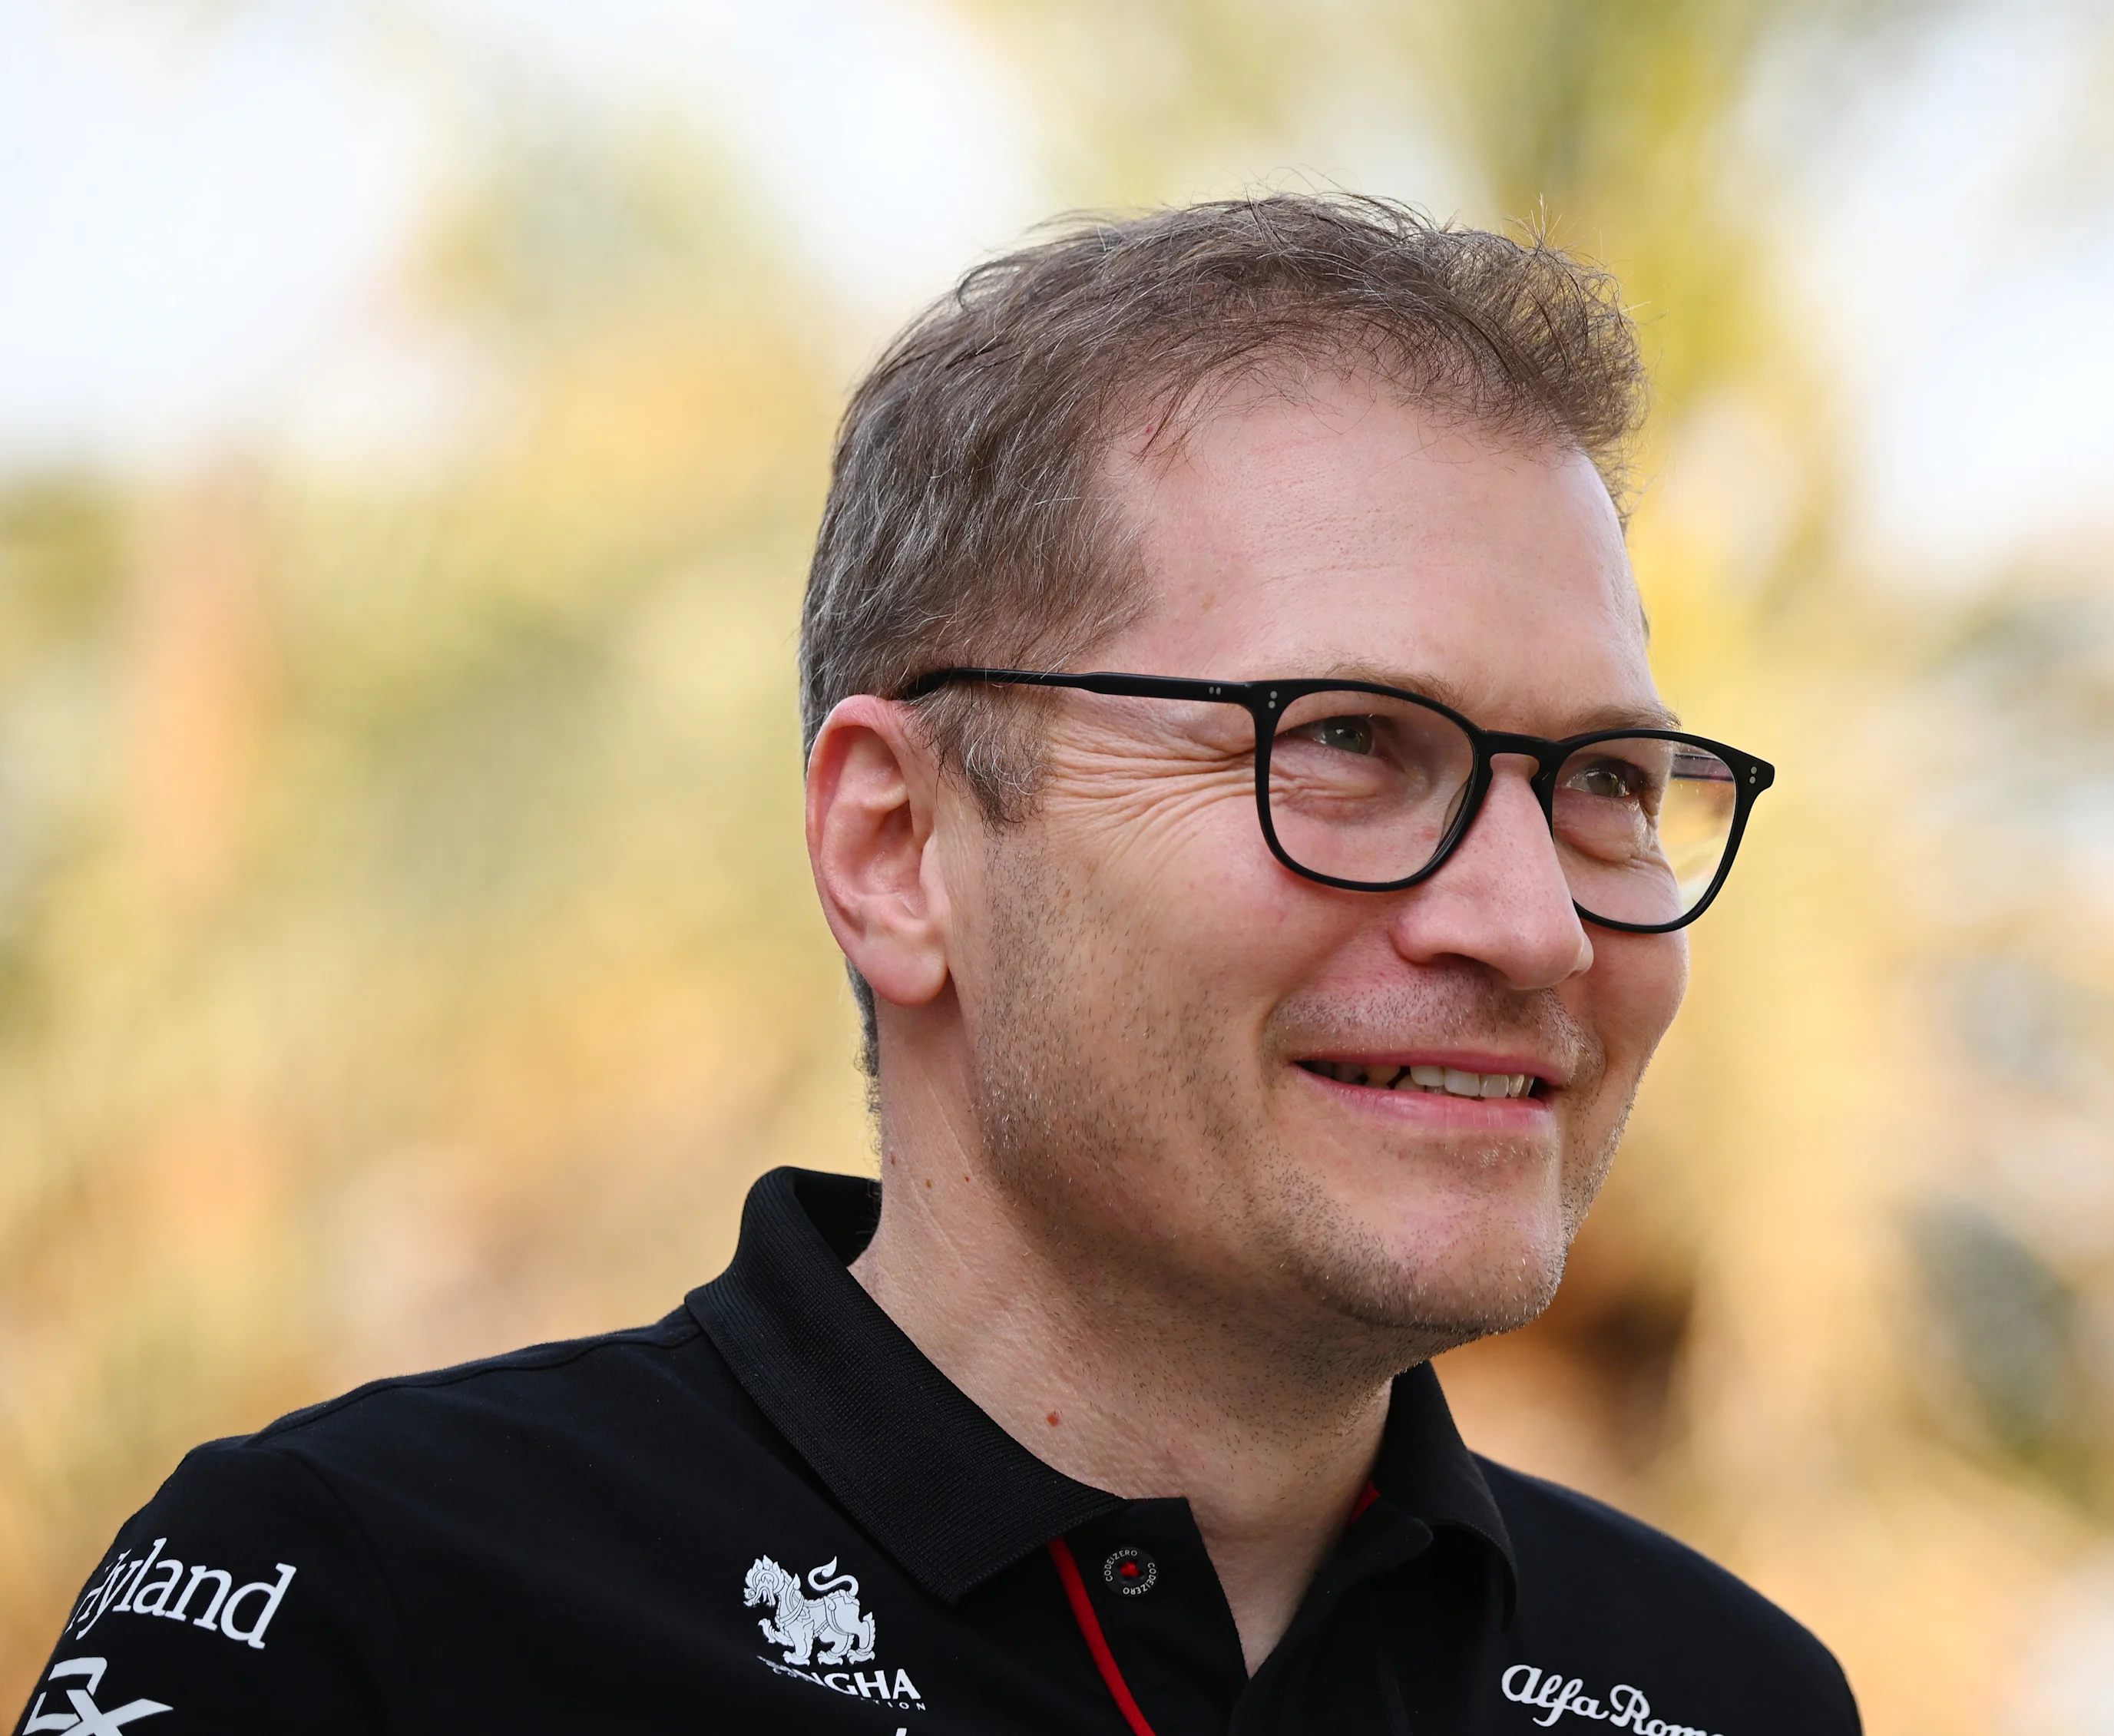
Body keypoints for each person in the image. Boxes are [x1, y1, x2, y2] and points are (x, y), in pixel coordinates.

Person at [20, 194, 1849, 1735]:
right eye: (1349, 742)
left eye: (1605, 782)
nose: (1531, 922)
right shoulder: (368, 1609)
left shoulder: (1718, 1693)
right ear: (897, 850)